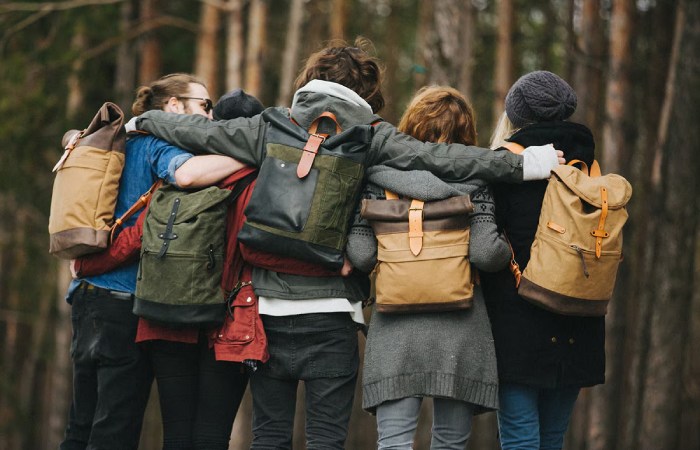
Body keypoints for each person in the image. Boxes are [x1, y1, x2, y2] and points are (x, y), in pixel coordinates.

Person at [126, 38, 564, 449]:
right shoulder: (370, 134)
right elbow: (443, 158)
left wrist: (142, 120)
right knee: (325, 439)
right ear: (365, 89)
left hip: (269, 309)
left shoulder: (273, 123)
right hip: (334, 314)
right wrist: (525, 164)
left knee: (270, 436)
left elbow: (200, 134)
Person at [70, 87, 264, 450]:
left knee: (170, 433)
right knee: (210, 435)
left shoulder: (184, 172)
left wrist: (87, 263)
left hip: (169, 317)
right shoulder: (256, 179)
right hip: (230, 321)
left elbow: (145, 234)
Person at [346, 86, 510, 449]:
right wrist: (507, 248)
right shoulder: (477, 181)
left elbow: (360, 255)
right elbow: (485, 253)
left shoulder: (377, 179)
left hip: (396, 332)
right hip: (461, 329)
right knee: (450, 443)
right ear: (466, 133)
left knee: (394, 443)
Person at [480, 70, 604, 450]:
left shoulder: (504, 166)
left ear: (515, 114)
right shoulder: (591, 169)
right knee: (552, 439)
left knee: (519, 437)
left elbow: (486, 247)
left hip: (518, 324)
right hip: (579, 319)